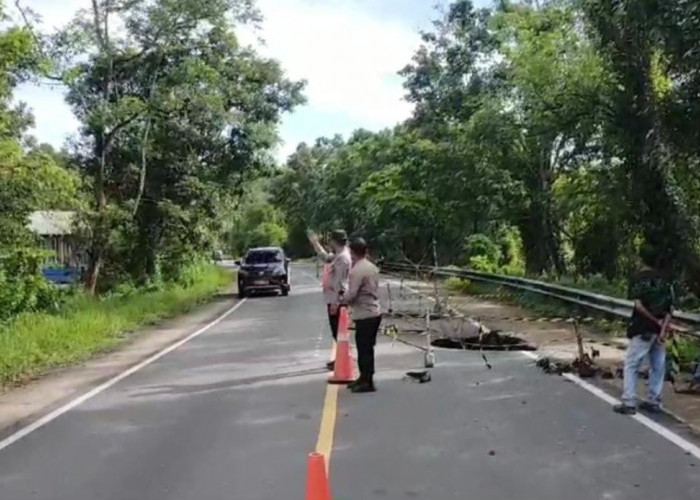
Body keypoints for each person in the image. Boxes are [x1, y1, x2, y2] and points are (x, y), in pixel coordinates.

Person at [614, 245, 676, 415]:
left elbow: (638, 305)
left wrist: (653, 320)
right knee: (658, 366)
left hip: (642, 328)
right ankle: (654, 401)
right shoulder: (665, 280)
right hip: (659, 331)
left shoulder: (638, 278)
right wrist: (662, 328)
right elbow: (670, 309)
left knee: (632, 364)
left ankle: (629, 401)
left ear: (641, 259)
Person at [340, 237, 382, 393]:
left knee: (364, 349)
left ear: (352, 252)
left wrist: (341, 299)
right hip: (374, 311)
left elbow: (352, 294)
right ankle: (363, 377)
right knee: (367, 347)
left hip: (365, 313)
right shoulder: (372, 267)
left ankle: (367, 381)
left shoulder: (357, 270)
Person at [308, 229, 351, 371]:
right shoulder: (338, 256)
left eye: (331, 240)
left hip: (336, 299)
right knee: (336, 332)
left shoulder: (343, 258)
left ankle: (343, 359)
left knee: (338, 332)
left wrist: (337, 302)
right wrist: (315, 243)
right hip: (332, 298)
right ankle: (340, 358)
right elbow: (325, 257)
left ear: (334, 241)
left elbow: (341, 283)